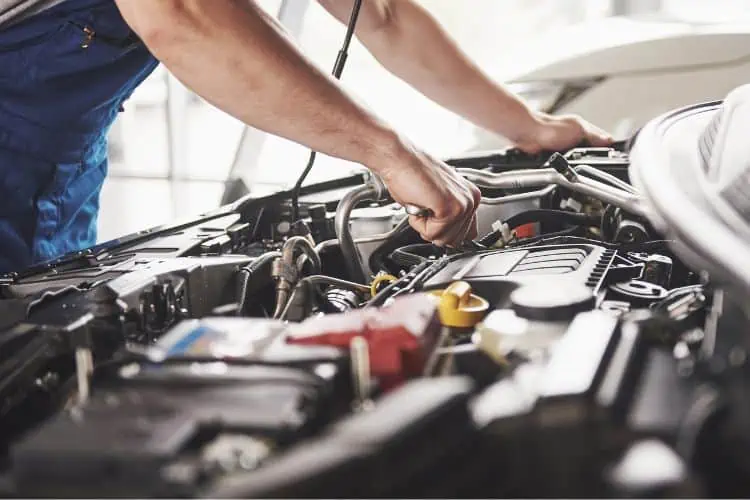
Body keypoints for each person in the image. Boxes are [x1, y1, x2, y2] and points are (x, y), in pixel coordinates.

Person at [0, 0, 612, 274]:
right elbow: (181, 14)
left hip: (58, 170)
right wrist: (387, 152)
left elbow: (383, 15)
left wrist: (530, 128)